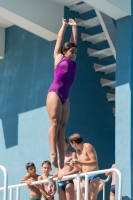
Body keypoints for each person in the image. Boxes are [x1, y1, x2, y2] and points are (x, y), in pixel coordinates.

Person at [46, 18, 77, 169]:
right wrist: (64, 26)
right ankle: (53, 152)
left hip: (66, 96)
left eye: (75, 52)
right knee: (55, 123)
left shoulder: (73, 62)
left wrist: (75, 28)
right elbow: (59, 40)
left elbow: (74, 41)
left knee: (63, 126)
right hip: (55, 93)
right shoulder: (59, 57)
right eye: (72, 52)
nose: (74, 54)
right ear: (65, 51)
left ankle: (61, 156)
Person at [69, 133, 100, 200]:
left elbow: (94, 161)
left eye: (71, 144)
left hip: (93, 175)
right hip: (84, 176)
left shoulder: (87, 146)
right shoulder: (77, 151)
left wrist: (78, 162)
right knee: (84, 198)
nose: (72, 146)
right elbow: (80, 167)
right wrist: (75, 165)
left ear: (74, 143)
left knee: (92, 198)